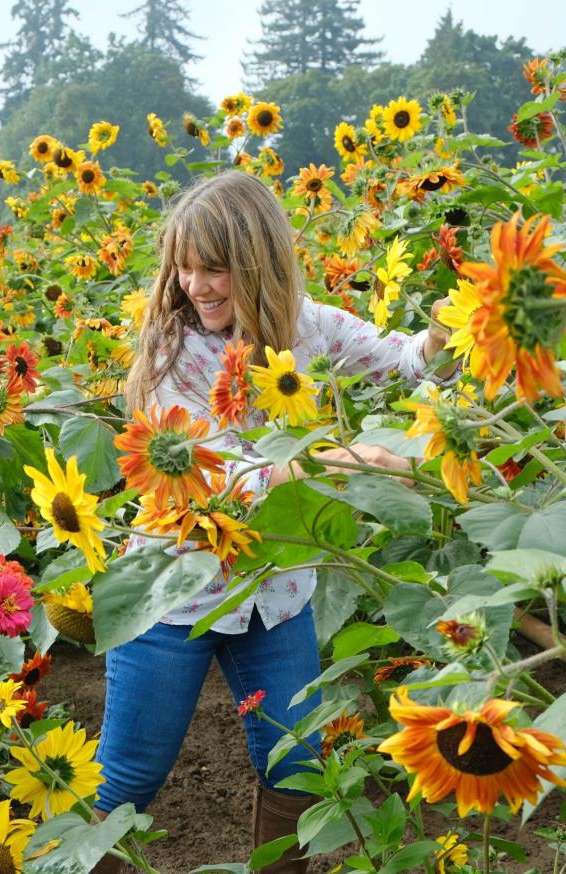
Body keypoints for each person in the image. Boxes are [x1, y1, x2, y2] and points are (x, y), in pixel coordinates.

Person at [95, 171, 454, 873]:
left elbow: (400, 364)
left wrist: (445, 331)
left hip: (278, 587)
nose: (197, 285)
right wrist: (346, 462)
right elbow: (214, 475)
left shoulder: (310, 327)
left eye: (216, 268)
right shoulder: (175, 350)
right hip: (175, 586)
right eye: (186, 268)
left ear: (259, 263)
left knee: (296, 766)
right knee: (130, 775)